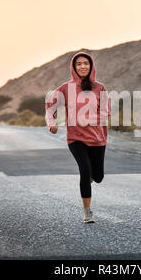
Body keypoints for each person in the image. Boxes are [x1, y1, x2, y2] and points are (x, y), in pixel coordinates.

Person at [45, 51, 110, 224]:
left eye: (85, 63)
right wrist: (51, 122)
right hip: (76, 138)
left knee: (98, 176)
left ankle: (87, 180)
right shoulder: (66, 88)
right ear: (74, 67)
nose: (82, 66)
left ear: (91, 66)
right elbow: (50, 105)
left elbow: (105, 113)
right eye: (79, 64)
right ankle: (87, 211)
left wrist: (85, 118)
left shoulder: (100, 87)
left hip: (98, 138)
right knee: (84, 170)